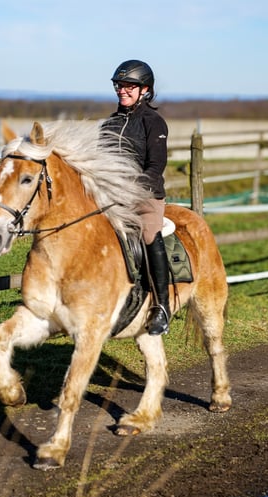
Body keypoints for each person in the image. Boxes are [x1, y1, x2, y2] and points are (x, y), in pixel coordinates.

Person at [101, 59, 171, 336]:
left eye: (129, 86)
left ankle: (162, 306)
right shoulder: (108, 124)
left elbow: (155, 168)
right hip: (111, 199)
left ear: (145, 90)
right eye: (120, 85)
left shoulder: (153, 122)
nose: (122, 90)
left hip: (145, 198)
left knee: (149, 234)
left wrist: (129, 191)